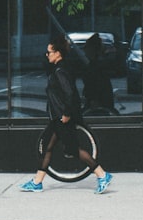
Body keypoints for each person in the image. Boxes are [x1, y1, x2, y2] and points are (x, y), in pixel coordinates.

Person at [20, 37, 113, 194]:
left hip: (63, 117)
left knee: (73, 149)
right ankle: (37, 182)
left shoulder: (60, 71)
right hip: (57, 117)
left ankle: (102, 174)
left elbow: (70, 94)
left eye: (49, 52)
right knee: (47, 147)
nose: (47, 55)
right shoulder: (58, 69)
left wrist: (67, 114)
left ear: (58, 53)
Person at [82, 33, 118, 115]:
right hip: (101, 103)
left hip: (97, 105)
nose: (85, 51)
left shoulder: (95, 67)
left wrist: (93, 100)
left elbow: (95, 86)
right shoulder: (98, 65)